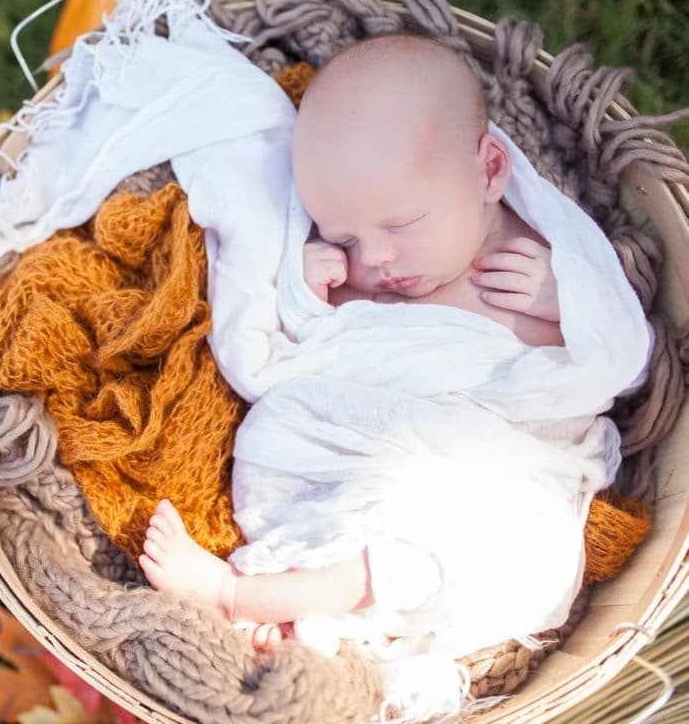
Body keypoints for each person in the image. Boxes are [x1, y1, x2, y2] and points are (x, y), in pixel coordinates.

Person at [139, 33, 571, 649]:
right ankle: (308, 617)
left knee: (408, 545)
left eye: (401, 223)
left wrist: (565, 300)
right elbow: (314, 353)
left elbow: (603, 367)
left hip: (492, 478)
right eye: (344, 237)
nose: (376, 258)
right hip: (365, 452)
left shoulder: (540, 255)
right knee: (375, 521)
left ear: (490, 172)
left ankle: (239, 595)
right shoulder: (364, 272)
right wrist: (308, 291)